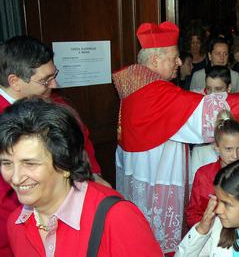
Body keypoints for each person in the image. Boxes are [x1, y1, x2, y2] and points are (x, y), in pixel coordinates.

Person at [112, 21, 239, 254]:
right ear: (154, 61)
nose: (180, 61)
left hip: (142, 170)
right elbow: (199, 110)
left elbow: (186, 101)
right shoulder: (156, 90)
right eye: (174, 57)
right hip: (157, 173)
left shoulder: (138, 85)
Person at [0, 97, 163, 256]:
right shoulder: (16, 224)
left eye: (30, 164)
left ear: (65, 164)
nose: (15, 178)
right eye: (7, 163)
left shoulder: (116, 218)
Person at [0, 35, 108, 257]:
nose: (55, 85)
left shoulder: (54, 104)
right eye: (45, 80)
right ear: (15, 81)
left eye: (54, 75)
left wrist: (94, 177)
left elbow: (82, 144)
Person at [190, 66, 239, 180]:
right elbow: (196, 184)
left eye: (218, 89)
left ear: (229, 88)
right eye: (209, 89)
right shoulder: (200, 144)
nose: (212, 95)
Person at [186, 109, 239, 228]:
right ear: (217, 147)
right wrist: (207, 226)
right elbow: (192, 214)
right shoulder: (203, 175)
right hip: (209, 236)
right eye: (228, 149)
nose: (235, 156)